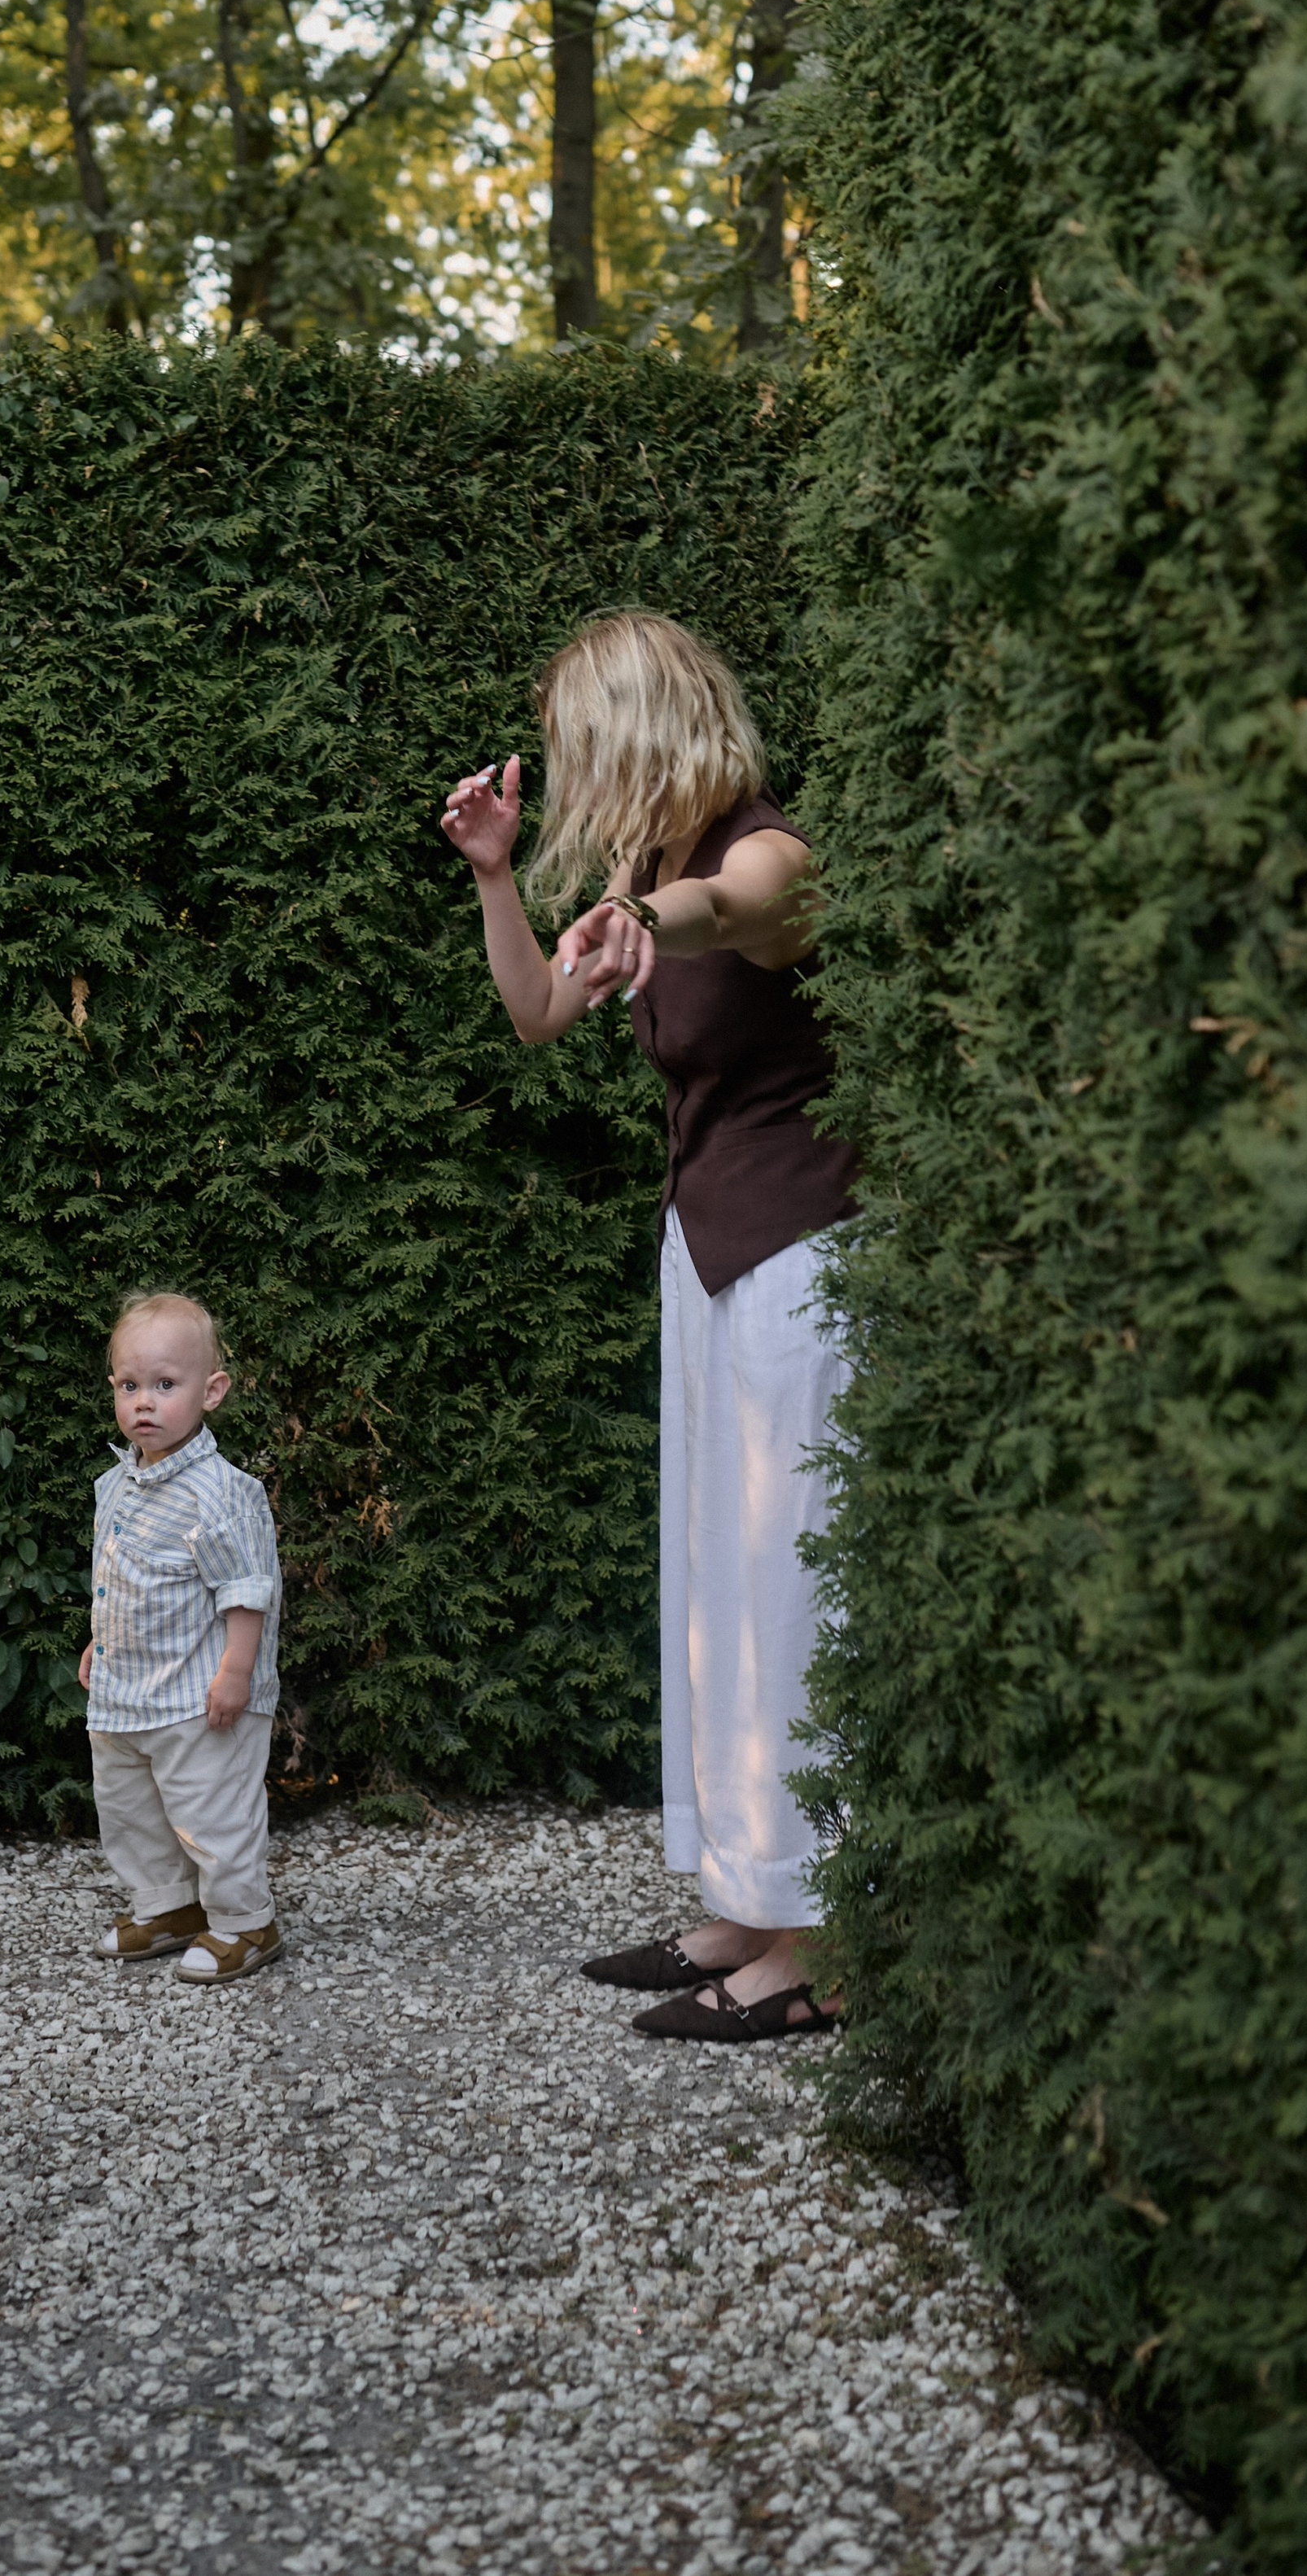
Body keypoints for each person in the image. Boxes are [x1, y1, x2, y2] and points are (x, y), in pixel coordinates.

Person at [440, 610, 855, 2043]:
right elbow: (544, 1011)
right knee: (722, 1586)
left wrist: (656, 918)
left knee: (795, 1590)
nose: (568, 779)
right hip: (707, 1252)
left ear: (642, 731)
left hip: (802, 1255)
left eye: (580, 748)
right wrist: (500, 878)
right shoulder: (640, 866)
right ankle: (753, 1901)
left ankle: (822, 1942)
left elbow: (751, 912)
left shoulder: (759, 846)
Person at [78, 1290, 283, 1985]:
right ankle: (168, 1906)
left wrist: (237, 1672)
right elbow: (119, 1580)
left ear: (211, 1391)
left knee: (212, 1810)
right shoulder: (115, 1484)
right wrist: (98, 1642)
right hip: (126, 1692)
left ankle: (244, 1920)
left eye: (166, 1385)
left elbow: (248, 1587)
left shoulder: (220, 1492)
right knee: (130, 1806)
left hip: (199, 1695)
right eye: (131, 1385)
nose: (145, 1402)